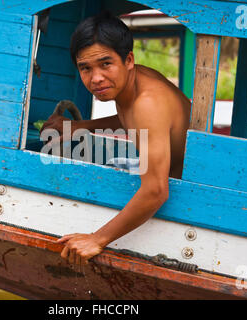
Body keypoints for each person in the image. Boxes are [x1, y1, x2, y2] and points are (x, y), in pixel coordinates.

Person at [40, 11, 191, 267]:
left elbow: (156, 190)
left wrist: (97, 239)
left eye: (105, 64)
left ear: (128, 59)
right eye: (85, 68)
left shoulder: (148, 103)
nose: (95, 78)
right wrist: (80, 126)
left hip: (185, 201)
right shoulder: (136, 83)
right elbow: (131, 120)